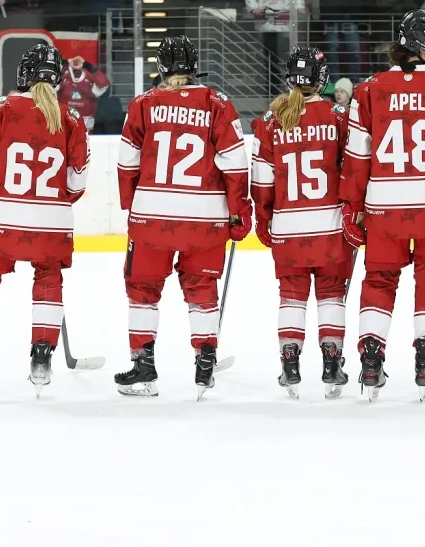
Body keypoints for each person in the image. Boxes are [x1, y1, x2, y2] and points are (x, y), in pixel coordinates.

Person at [339, 10, 425, 402]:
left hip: (383, 205)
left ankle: (371, 353)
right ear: (423, 47)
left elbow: (356, 157)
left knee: (379, 279)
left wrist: (352, 207)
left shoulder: (368, 90)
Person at [113, 36, 251, 399]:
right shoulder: (217, 103)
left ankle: (143, 367)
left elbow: (127, 162)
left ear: (161, 67)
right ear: (194, 66)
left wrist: (131, 204)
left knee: (143, 290)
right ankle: (205, 361)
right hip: (205, 218)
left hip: (152, 216)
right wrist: (238, 211)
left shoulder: (144, 104)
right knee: (202, 288)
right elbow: (235, 164)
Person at [0, 45, 89, 399]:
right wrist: (53, 205)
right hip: (52, 222)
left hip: (2, 217)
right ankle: (42, 361)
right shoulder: (72, 118)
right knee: (49, 280)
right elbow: (76, 183)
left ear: (23, 74)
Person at [251, 47, 354, 398]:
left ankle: (290, 364)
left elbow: (261, 181)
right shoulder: (339, 116)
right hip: (331, 226)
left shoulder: (270, 120)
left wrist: (264, 220)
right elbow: (354, 168)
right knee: (331, 296)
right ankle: (332, 365)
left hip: (288, 228)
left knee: (291, 298)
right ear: (321, 79)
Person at [56, 56, 110, 132]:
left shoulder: (90, 77)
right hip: (64, 120)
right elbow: (50, 86)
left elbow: (103, 84)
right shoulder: (64, 75)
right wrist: (64, 64)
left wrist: (89, 67)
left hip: (86, 122)